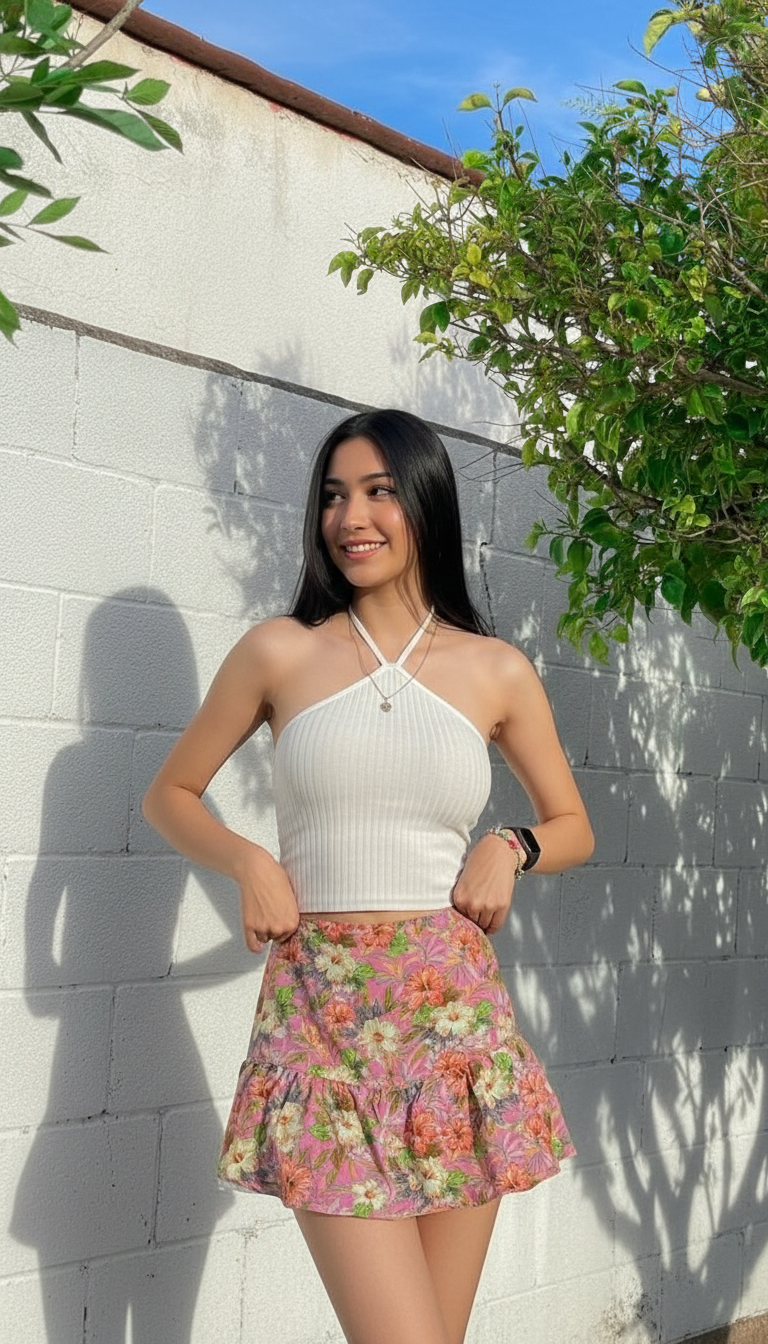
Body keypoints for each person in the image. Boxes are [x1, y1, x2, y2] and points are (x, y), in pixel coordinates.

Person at [143, 408, 594, 1344]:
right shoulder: (281, 652)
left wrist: (510, 845)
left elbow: (574, 823)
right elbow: (173, 794)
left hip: (454, 1028)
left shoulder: (495, 669)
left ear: (424, 502)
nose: (353, 515)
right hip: (319, 1023)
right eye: (336, 495)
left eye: (381, 491)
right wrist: (248, 858)